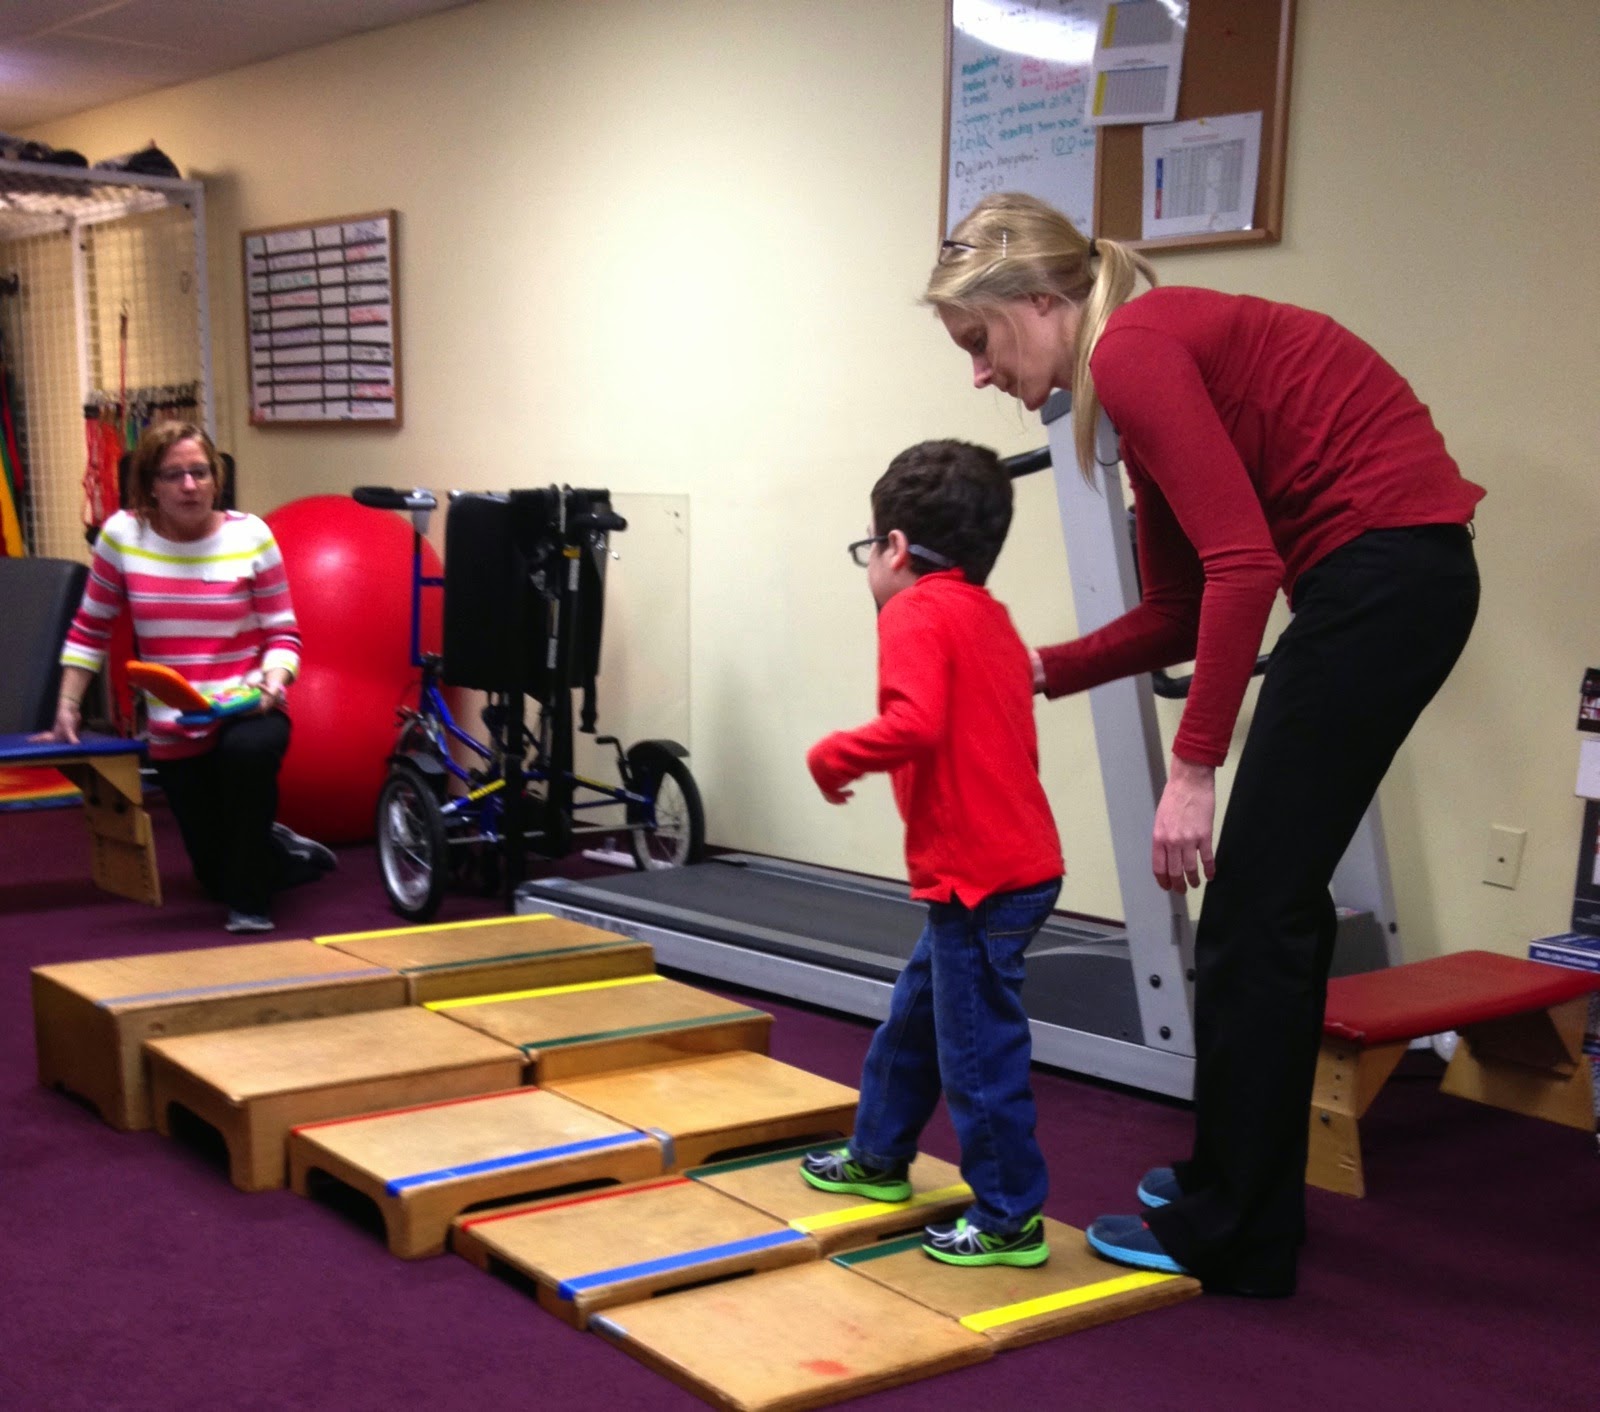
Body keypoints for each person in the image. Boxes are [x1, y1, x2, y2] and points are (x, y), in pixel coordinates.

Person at [924, 191, 1483, 1296]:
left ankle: (1238, 1231)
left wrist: (1193, 769)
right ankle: (1232, 1185)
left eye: (979, 341)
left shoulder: (1133, 352)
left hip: (1384, 577)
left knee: (1253, 913)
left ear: (1039, 302)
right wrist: (1037, 668)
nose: (979, 374)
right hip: (1392, 578)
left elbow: (1245, 568)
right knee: (1268, 910)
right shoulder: (1137, 377)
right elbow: (1180, 609)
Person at [801, 439, 1065, 1268]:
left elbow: (915, 724)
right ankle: (879, 1154)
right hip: (1002, 869)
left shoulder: (914, 611)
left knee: (978, 1054)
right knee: (916, 1018)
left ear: (895, 547)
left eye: (867, 549)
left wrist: (834, 756)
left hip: (981, 879)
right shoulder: (988, 614)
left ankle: (1009, 1216)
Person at [47, 421, 334, 933]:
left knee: (247, 759)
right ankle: (277, 849)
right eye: (173, 475)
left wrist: (274, 680)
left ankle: (251, 907)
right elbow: (91, 626)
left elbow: (283, 633)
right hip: (176, 722)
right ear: (150, 485)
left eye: (200, 473)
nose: (189, 486)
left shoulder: (250, 535)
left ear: (216, 478)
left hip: (248, 706)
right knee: (212, 874)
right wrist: (68, 704)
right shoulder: (122, 536)